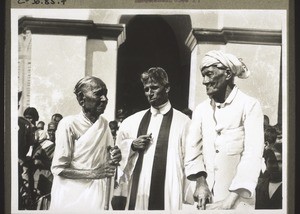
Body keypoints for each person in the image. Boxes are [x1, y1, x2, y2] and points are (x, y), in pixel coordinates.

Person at [185, 50, 264, 210]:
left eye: (209, 74)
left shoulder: (249, 105)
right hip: (204, 198)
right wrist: (201, 182)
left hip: (238, 201)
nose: (204, 81)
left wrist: (230, 199)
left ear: (227, 74)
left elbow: (253, 155)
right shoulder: (201, 110)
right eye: (203, 75)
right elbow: (192, 151)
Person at [114, 67, 192, 210]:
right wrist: (132, 145)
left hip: (169, 185)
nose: (150, 93)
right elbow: (117, 151)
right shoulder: (132, 121)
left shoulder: (184, 122)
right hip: (140, 187)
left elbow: (190, 158)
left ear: (167, 88)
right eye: (146, 89)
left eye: (154, 88)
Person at [49, 76, 122, 211]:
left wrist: (115, 155)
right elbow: (58, 168)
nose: (104, 99)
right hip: (70, 196)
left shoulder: (104, 124)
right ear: (82, 98)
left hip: (97, 194)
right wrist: (94, 173)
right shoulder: (68, 124)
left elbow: (108, 157)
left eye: (105, 94)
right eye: (98, 94)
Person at [255, 143, 282, 209]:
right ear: (266, 163)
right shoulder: (259, 186)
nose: (275, 166)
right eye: (271, 162)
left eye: (279, 162)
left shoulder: (290, 187)